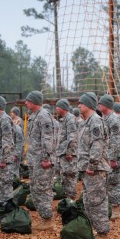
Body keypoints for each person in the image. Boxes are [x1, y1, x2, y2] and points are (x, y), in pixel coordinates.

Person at [77, 93, 111, 239]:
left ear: (89, 105)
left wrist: (92, 165)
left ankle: (103, 235)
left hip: (95, 169)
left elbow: (97, 145)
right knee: (88, 201)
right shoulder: (86, 122)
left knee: (97, 201)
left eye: (81, 103)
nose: (78, 105)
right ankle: (94, 231)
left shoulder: (95, 121)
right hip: (87, 168)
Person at [25, 91, 56, 231]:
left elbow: (47, 139)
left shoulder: (44, 116)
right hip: (34, 160)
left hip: (41, 160)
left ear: (35, 101)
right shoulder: (34, 116)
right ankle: (44, 217)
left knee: (43, 188)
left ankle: (48, 220)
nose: (26, 103)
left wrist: (46, 158)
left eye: (28, 100)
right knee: (36, 189)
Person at [98, 94, 120, 219]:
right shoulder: (104, 118)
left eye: (101, 104)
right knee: (106, 183)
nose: (99, 105)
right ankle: (109, 207)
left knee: (114, 183)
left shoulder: (113, 119)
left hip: (112, 156)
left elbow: (116, 140)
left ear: (107, 105)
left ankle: (116, 210)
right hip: (105, 156)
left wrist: (113, 158)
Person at [55, 98, 79, 200]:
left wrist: (69, 152)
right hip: (62, 153)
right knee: (64, 175)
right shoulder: (63, 119)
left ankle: (71, 198)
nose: (56, 109)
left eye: (58, 107)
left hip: (68, 153)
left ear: (63, 108)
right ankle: (67, 198)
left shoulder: (70, 119)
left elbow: (72, 136)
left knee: (70, 175)